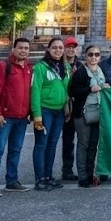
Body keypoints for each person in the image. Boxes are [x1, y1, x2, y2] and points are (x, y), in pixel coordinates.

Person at [0, 37, 33, 197]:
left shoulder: (28, 68)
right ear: (13, 49)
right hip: (4, 117)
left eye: (26, 48)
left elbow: (29, 93)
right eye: (20, 48)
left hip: (21, 118)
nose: (23, 51)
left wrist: (29, 113)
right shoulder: (3, 66)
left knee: (15, 150)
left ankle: (12, 181)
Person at [30, 37, 70, 191]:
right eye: (55, 47)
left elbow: (66, 90)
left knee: (52, 145)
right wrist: (37, 115)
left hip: (59, 111)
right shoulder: (41, 67)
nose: (58, 50)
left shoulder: (65, 67)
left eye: (60, 47)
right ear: (48, 49)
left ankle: (48, 176)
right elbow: (35, 91)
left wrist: (67, 108)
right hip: (44, 110)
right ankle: (39, 178)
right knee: (41, 144)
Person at [68, 45, 109, 188]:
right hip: (83, 112)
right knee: (83, 145)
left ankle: (91, 174)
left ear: (100, 57)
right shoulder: (80, 72)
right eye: (90, 54)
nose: (93, 57)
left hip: (98, 112)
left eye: (96, 55)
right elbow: (73, 91)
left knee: (93, 146)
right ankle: (83, 176)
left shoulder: (101, 71)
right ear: (85, 56)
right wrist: (90, 89)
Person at [60, 37, 83, 182]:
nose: (71, 49)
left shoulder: (80, 66)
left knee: (78, 140)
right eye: (68, 47)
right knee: (67, 140)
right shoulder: (59, 65)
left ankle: (77, 169)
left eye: (73, 47)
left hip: (77, 106)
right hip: (62, 106)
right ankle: (66, 169)